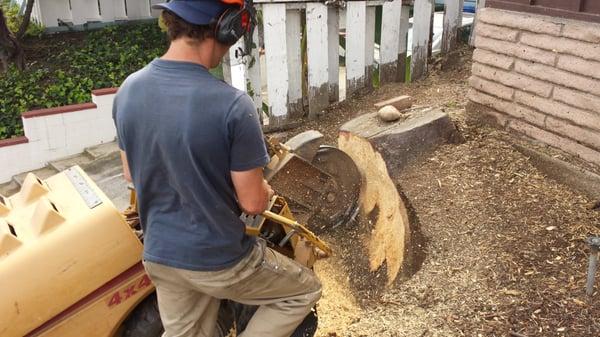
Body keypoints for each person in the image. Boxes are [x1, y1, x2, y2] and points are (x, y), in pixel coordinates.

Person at [112, 1, 322, 336]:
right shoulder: (233, 106)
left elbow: (129, 175)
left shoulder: (128, 90)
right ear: (226, 27)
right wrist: (263, 189)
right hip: (220, 260)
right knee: (303, 290)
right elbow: (253, 204)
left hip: (160, 257)